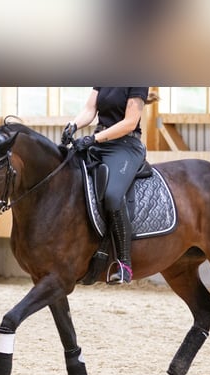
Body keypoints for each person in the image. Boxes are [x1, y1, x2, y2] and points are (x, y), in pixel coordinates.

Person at [61, 87, 151, 284]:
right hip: (99, 144)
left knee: (112, 196)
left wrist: (93, 138)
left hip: (125, 146)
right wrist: (73, 125)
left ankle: (124, 263)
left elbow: (129, 123)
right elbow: (90, 110)